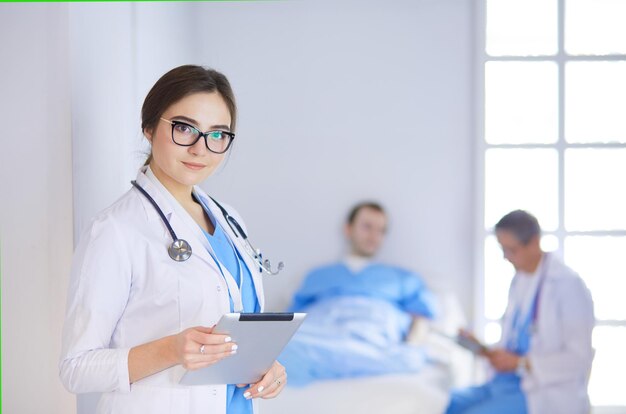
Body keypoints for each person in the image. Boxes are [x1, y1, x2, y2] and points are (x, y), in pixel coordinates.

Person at [59, 65, 286, 414]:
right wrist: (170, 350)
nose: (200, 148)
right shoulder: (116, 229)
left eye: (217, 134)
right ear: (149, 128)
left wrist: (267, 368)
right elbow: (76, 369)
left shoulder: (230, 221)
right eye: (184, 128)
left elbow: (236, 336)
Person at [445, 210, 595, 414]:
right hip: (507, 383)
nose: (506, 258)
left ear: (534, 242)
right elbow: (517, 341)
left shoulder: (568, 287)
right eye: (502, 250)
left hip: (543, 392)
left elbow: (579, 359)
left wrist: (522, 362)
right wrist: (482, 347)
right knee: (448, 404)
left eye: (511, 250)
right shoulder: (520, 281)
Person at [279, 202, 437, 385]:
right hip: (320, 335)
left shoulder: (402, 278)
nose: (374, 236)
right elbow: (292, 319)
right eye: (367, 227)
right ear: (348, 229)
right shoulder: (318, 275)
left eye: (381, 230)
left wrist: (412, 346)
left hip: (373, 337)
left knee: (409, 360)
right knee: (281, 352)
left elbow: (421, 319)